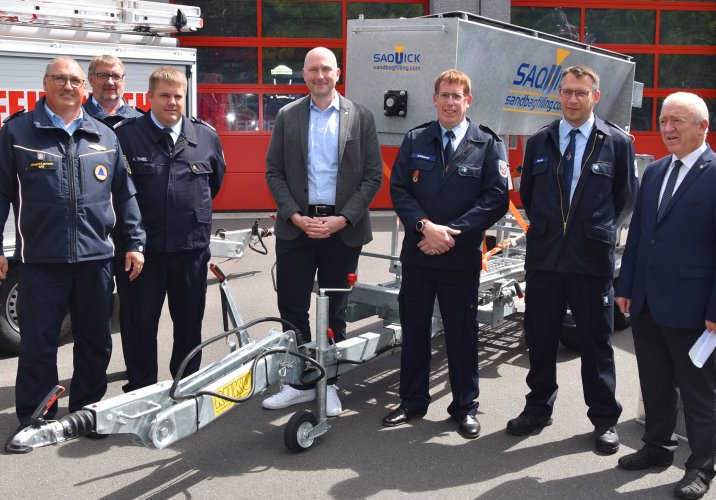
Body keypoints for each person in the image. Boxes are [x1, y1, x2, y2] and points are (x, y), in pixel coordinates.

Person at [0, 57, 145, 452]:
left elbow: (126, 195)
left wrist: (134, 243)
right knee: (39, 342)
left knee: (96, 340)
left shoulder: (103, 135)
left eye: (74, 80)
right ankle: (37, 419)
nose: (68, 86)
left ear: (84, 87)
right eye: (59, 79)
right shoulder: (18, 131)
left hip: (95, 261)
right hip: (40, 262)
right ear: (45, 83)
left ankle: (87, 411)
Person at [615, 92, 716, 500]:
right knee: (654, 383)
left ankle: (700, 467)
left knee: (697, 392)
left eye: (678, 121)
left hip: (694, 310)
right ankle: (658, 448)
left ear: (703, 128)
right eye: (663, 121)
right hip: (647, 303)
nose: (668, 129)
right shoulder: (654, 172)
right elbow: (640, 236)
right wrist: (625, 286)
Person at [506, 65, 638, 453]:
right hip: (546, 259)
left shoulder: (616, 141)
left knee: (596, 343)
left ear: (595, 96)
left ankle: (603, 419)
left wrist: (594, 230)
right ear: (559, 95)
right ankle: (537, 408)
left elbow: (625, 199)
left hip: (590, 261)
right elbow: (529, 194)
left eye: (581, 92)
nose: (572, 99)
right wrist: (554, 228)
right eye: (566, 92)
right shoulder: (541, 141)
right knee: (541, 338)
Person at [384, 68, 510, 439]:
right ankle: (411, 402)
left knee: (461, 333)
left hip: (459, 257)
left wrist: (450, 233)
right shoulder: (415, 138)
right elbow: (400, 190)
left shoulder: (488, 144)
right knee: (416, 330)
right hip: (420, 254)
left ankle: (465, 407)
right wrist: (426, 227)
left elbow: (496, 198)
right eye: (445, 95)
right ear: (435, 99)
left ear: (468, 101)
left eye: (458, 96)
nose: (451, 102)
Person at [264, 47, 382, 417]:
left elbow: (372, 176)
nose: (320, 76)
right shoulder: (287, 116)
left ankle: (329, 384)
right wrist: (295, 216)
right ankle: (299, 382)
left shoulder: (360, 117)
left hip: (341, 229)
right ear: (304, 74)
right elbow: (274, 172)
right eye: (313, 70)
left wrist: (343, 218)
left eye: (326, 69)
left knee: (335, 312)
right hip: (297, 228)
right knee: (293, 308)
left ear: (338, 73)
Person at [113, 66, 225, 391]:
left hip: (190, 250)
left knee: (189, 324)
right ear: (149, 97)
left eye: (178, 96)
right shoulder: (127, 136)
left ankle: (186, 387)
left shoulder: (205, 136)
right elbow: (119, 193)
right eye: (165, 95)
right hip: (142, 254)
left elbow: (214, 183)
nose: (172, 102)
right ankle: (141, 388)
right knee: (139, 325)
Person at [83, 55, 142, 127]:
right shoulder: (75, 118)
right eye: (103, 76)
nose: (110, 82)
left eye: (116, 76)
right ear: (91, 80)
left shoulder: (141, 121)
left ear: (123, 80)